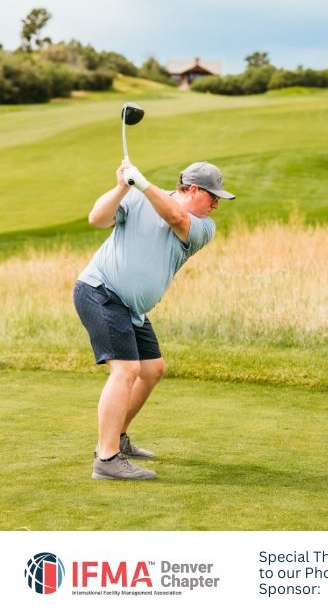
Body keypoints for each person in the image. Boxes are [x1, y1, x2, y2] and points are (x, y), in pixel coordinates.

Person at [73, 160, 236, 481]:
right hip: (101, 291)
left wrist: (142, 185)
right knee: (127, 369)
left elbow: (175, 216)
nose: (217, 205)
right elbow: (97, 219)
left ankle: (116, 436)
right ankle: (106, 459)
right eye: (213, 197)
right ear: (192, 190)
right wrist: (123, 186)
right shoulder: (136, 194)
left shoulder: (203, 226)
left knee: (151, 369)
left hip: (132, 307)